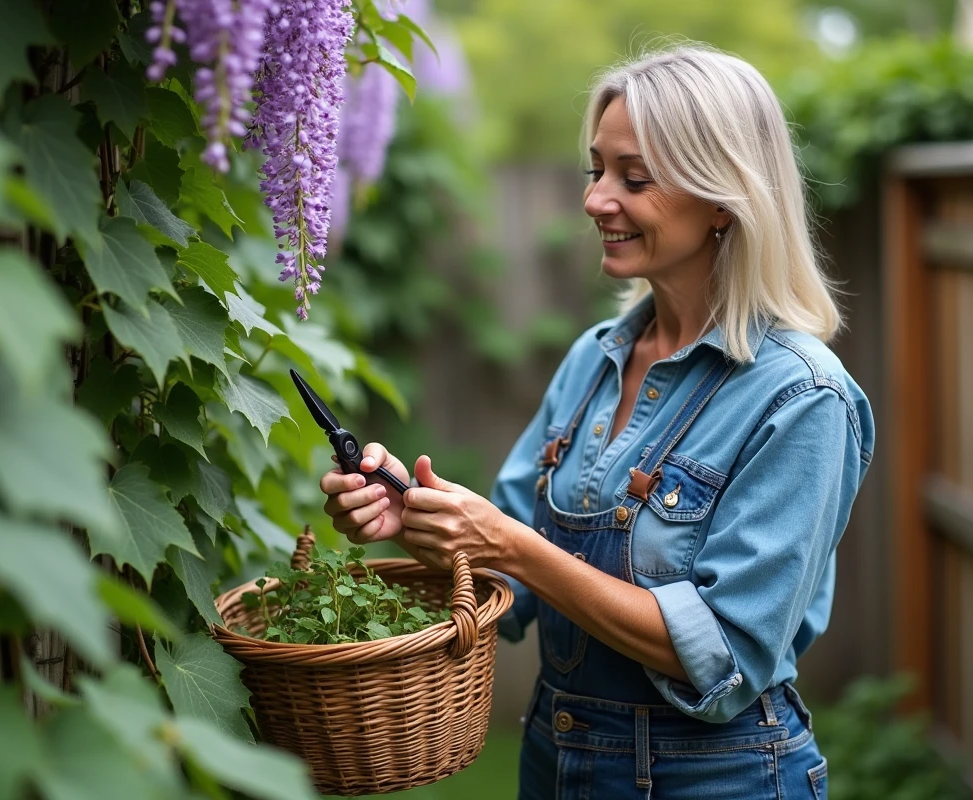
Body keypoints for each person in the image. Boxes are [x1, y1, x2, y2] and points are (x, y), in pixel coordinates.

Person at [320, 43, 873, 800]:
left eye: (633, 178)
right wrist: (414, 517)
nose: (595, 200)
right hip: (556, 758)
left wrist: (510, 542)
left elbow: (723, 655)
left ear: (724, 199)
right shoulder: (594, 359)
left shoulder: (802, 397)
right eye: (596, 170)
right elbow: (505, 578)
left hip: (714, 778)